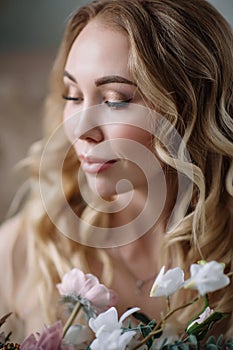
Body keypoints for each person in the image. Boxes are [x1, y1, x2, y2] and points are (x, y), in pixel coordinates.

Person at [0, 0, 232, 343]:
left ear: (191, 106)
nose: (81, 129)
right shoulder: (23, 251)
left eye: (115, 99)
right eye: (73, 96)